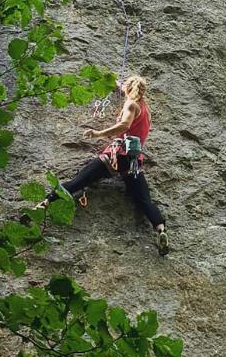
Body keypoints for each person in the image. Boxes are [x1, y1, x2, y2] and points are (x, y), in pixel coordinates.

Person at [39, 75, 169, 255]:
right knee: (144, 199)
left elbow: (124, 125)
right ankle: (161, 229)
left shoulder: (131, 106)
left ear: (129, 89)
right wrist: (116, 85)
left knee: (79, 180)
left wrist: (98, 133)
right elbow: (128, 97)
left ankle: (44, 204)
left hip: (115, 157)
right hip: (132, 162)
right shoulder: (144, 108)